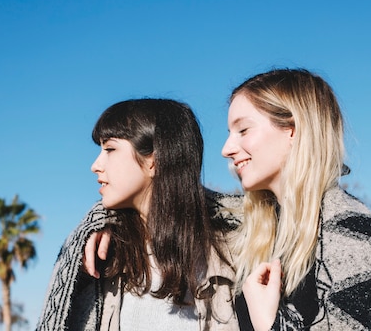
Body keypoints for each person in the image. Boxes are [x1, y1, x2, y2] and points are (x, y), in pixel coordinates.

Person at [222, 68, 371, 330]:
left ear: (292, 129)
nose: (226, 149)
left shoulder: (353, 241)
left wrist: (269, 325)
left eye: (243, 130)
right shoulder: (266, 235)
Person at [35, 98, 241, 331]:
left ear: (155, 159)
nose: (95, 165)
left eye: (110, 149)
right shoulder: (103, 254)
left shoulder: (239, 246)